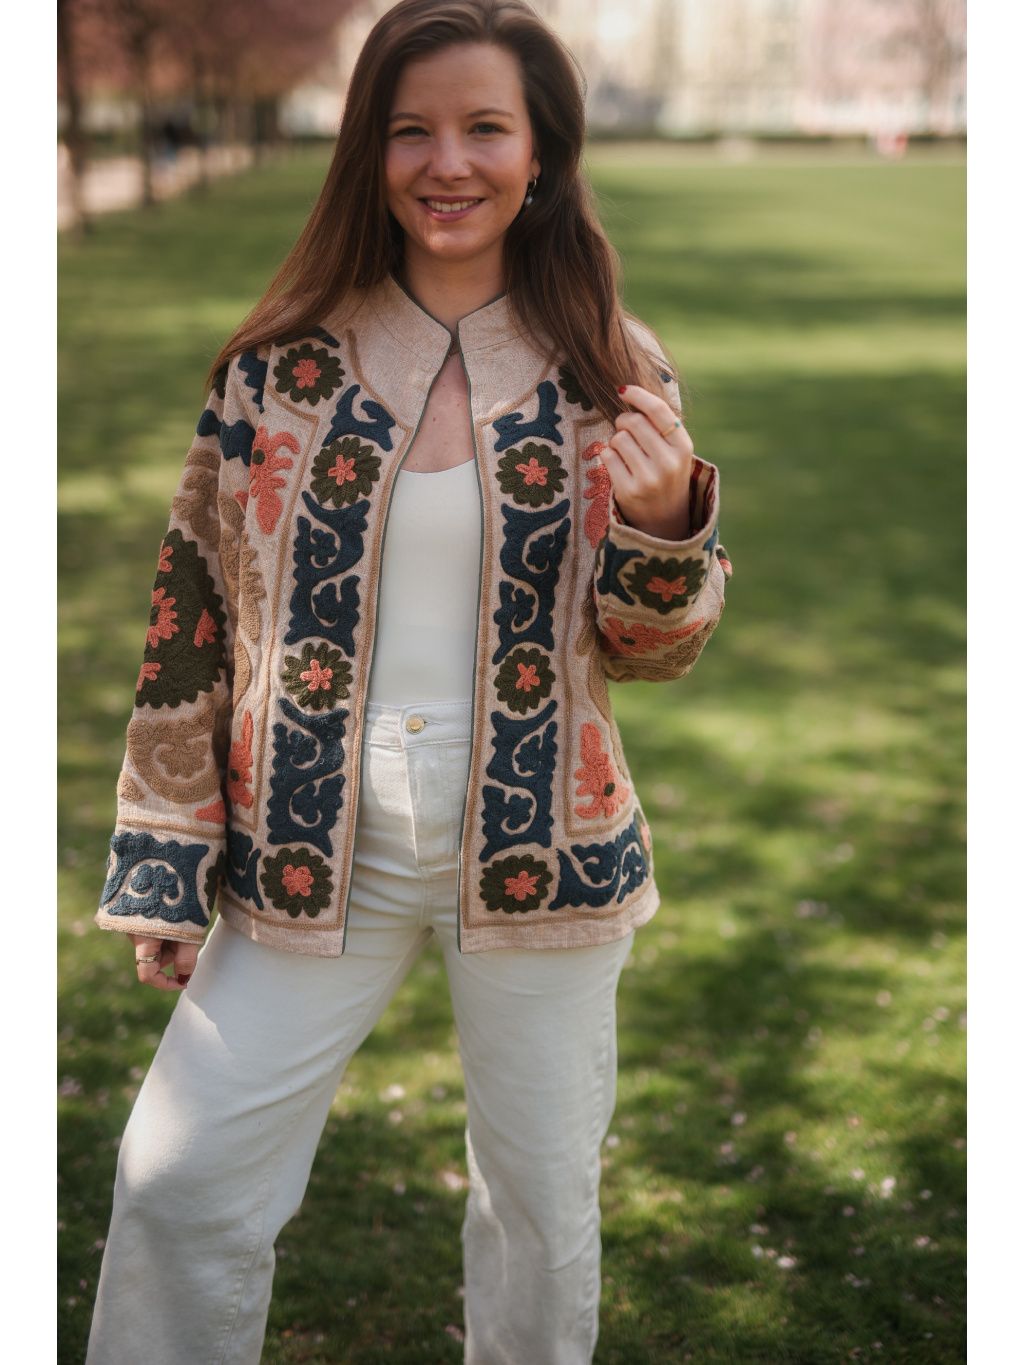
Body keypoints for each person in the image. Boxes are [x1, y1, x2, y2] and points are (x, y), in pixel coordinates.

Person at [84, 1, 732, 1360]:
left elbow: (653, 652)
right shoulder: (275, 372)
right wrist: (167, 853)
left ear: (541, 153)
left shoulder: (613, 367)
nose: (449, 162)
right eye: (411, 130)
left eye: (486, 127)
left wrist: (669, 526)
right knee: (176, 1180)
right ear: (366, 153)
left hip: (544, 858)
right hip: (303, 849)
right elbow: (191, 612)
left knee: (539, 1213)